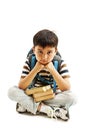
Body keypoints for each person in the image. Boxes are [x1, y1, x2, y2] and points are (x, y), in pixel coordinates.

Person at [8, 29, 76, 121]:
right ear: (34, 50)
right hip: (33, 95)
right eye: (40, 52)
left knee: (72, 98)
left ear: (55, 50)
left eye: (49, 52)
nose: (44, 57)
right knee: (11, 91)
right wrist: (35, 69)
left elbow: (66, 88)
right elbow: (21, 86)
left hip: (52, 97)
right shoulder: (29, 62)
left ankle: (29, 106)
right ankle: (48, 109)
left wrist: (52, 70)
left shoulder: (60, 63)